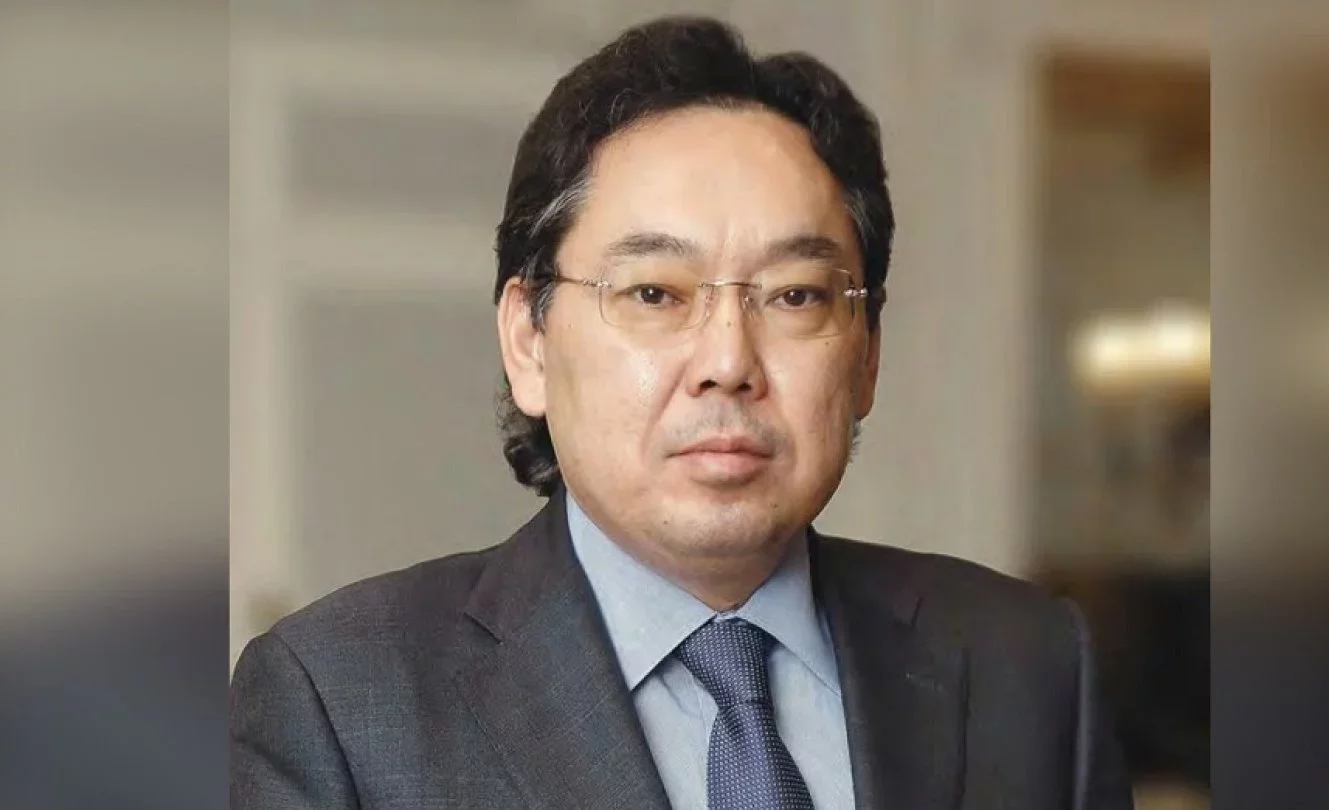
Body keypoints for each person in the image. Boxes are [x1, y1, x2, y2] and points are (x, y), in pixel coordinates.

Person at [230, 15, 1133, 810]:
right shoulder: (338, 701)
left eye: (795, 296)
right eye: (655, 293)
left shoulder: (1027, 666)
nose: (728, 363)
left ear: (867, 354)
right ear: (529, 340)